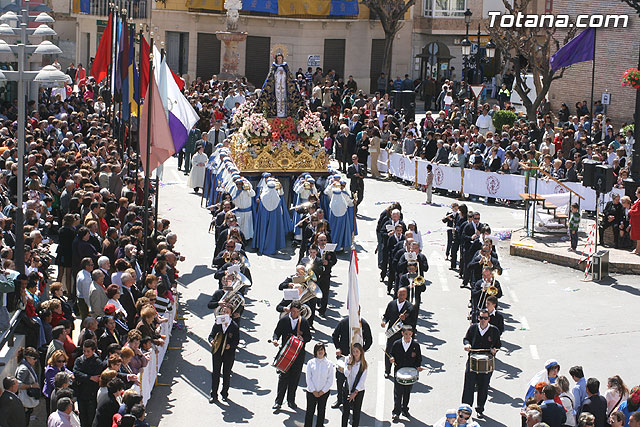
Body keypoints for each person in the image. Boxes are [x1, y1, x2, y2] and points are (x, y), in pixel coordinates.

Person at [271, 300, 312, 411]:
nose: (294, 314)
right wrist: (275, 340)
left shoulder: (303, 322)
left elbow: (309, 337)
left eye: (296, 312)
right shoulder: (284, 320)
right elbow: (276, 332)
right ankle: (278, 402)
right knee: (283, 378)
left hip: (298, 355)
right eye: (293, 311)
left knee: (295, 378)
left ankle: (291, 401)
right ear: (290, 310)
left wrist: (303, 339)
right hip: (285, 353)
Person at [461, 309, 501, 417]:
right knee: (468, 386)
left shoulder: (494, 330)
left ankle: (480, 409)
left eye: (485, 318)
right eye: (481, 318)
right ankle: (466, 409)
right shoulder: (473, 328)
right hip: (472, 361)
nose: (483, 320)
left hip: (486, 362)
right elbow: (466, 339)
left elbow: (498, 344)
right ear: (478, 318)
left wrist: (494, 349)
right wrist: (467, 345)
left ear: (489, 319)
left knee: (483, 387)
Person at [331, 307, 372, 408]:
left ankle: (353, 401)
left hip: (357, 359)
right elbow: (335, 335)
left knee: (355, 380)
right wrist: (338, 348)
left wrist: (360, 352)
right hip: (344, 356)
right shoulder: (344, 322)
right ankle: (340, 399)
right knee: (340, 379)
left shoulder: (364, 324)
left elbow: (369, 340)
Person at [389, 325, 423, 421]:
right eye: (406, 334)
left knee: (407, 392)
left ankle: (405, 409)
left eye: (410, 334)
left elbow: (418, 358)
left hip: (410, 373)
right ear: (402, 333)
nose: (408, 336)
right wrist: (391, 358)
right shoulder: (397, 344)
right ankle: (396, 411)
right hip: (399, 371)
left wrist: (418, 366)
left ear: (412, 334)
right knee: (398, 393)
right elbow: (392, 353)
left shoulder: (415, 346)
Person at [208, 305, 240, 403]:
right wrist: (212, 340)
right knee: (215, 374)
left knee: (226, 374)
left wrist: (230, 346)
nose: (224, 313)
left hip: (228, 354)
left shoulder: (234, 326)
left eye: (227, 312)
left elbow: (236, 341)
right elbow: (211, 335)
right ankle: (214, 394)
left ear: (230, 314)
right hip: (217, 353)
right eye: (223, 311)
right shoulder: (217, 324)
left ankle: (224, 393)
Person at [381, 287, 416, 378]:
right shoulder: (391, 304)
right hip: (392, 332)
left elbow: (413, 322)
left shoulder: (410, 307)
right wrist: (384, 321)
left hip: (403, 334)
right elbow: (386, 316)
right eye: (400, 294)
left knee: (401, 353)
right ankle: (387, 370)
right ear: (397, 294)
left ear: (406, 296)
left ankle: (399, 371)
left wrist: (406, 318)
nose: (401, 296)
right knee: (388, 351)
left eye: (403, 294)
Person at [73, 339, 106, 427]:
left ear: (93, 351)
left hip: (92, 395)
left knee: (91, 418)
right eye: (84, 351)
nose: (86, 353)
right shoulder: (79, 360)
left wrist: (85, 377)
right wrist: (89, 377)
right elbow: (76, 373)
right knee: (82, 417)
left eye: (88, 351)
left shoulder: (97, 363)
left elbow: (97, 377)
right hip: (81, 393)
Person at [304, 342, 334, 427]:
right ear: (315, 352)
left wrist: (322, 391)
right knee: (310, 412)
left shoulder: (329, 364)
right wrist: (313, 391)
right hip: (311, 392)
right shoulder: (310, 363)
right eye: (318, 350)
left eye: (322, 349)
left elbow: (330, 380)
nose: (320, 351)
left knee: (321, 412)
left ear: (325, 351)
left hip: (323, 393)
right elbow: (308, 378)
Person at [341, 342, 367, 427]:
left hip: (358, 391)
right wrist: (349, 364)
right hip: (347, 388)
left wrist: (354, 393)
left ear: (361, 352)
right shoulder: (348, 360)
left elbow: (362, 380)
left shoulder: (364, 364)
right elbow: (346, 374)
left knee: (356, 413)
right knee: (345, 412)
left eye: (357, 351)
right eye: (353, 351)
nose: (355, 354)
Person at [15, 346, 41, 426]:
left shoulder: (27, 366)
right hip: (24, 399)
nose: (35, 360)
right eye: (34, 358)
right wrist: (32, 386)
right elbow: (18, 385)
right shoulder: (24, 368)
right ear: (28, 358)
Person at [630, 187, 640, 254]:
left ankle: (637, 249)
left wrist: (630, 211)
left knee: (638, 236)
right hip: (636, 221)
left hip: (638, 221)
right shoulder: (638, 200)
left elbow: (638, 211)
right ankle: (637, 248)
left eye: (636, 191)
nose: (635, 192)